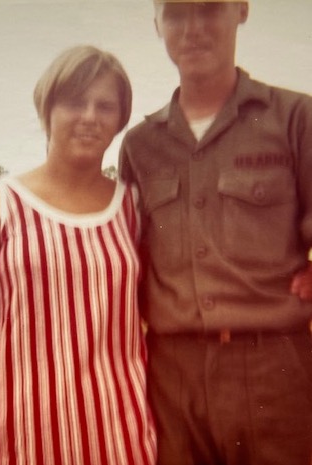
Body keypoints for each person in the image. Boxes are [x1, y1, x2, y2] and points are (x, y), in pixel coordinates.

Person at [0, 45, 156, 465]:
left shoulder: (135, 208)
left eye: (105, 106)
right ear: (47, 109)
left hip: (121, 441)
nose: (90, 116)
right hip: (19, 444)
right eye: (75, 101)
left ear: (120, 119)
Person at [119, 1, 312, 464]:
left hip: (275, 368)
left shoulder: (294, 117)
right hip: (170, 375)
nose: (193, 29)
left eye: (209, 9)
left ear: (241, 11)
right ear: (157, 25)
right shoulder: (140, 146)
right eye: (176, 14)